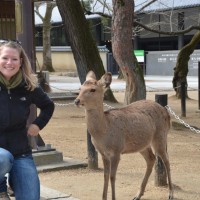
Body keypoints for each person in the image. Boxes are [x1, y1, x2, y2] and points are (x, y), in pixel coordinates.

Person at [0, 40, 55, 200]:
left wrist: (38, 124)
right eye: (4, 58)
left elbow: (48, 106)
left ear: (21, 61)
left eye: (14, 59)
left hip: (20, 152)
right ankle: (1, 188)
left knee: (30, 197)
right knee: (3, 158)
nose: (9, 63)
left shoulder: (28, 86)